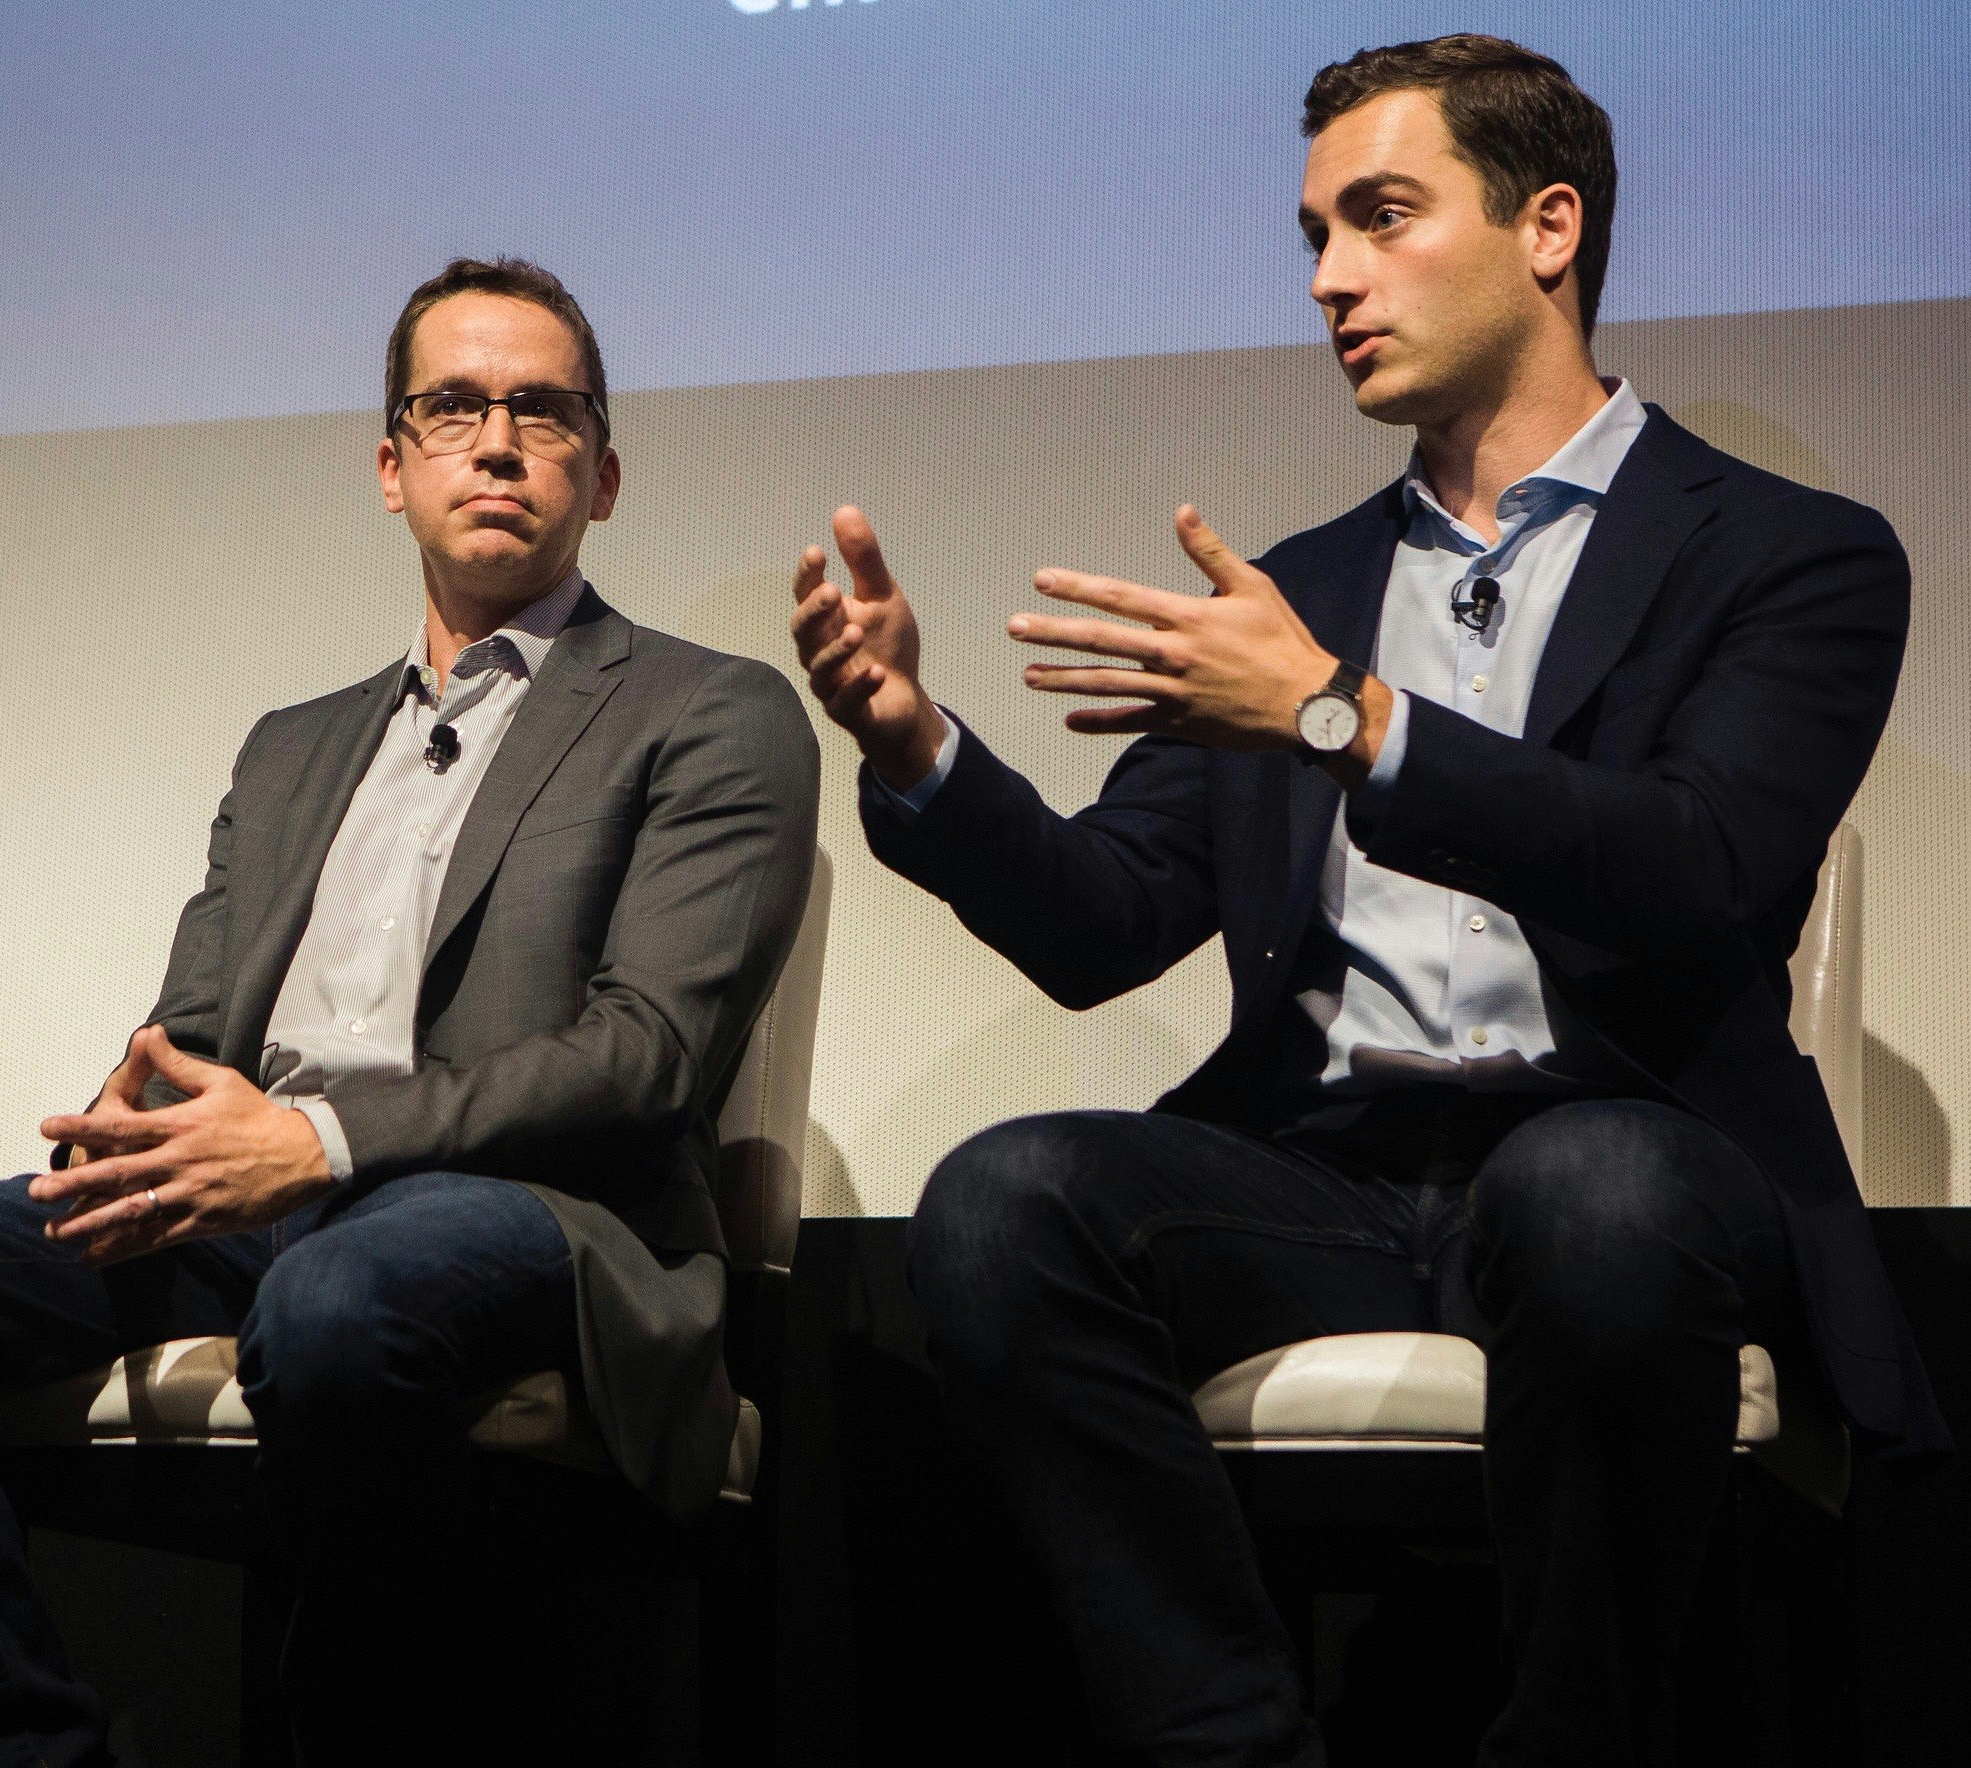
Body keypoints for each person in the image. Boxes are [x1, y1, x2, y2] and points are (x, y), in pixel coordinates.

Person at [789, 35, 1940, 1765]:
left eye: (1380, 218)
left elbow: (1694, 864)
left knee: (1595, 1191)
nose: (1329, 278)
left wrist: (1343, 717)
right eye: (1314, 233)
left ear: (1548, 228)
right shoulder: (1306, 586)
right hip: (1325, 1184)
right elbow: (1106, 922)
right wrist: (917, 748)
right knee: (1001, 1199)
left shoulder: (1787, 552)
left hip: (1625, 1150)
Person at [0, 256, 818, 1766]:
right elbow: (193, 1019)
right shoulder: (293, 748)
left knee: (344, 1298)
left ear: (603, 475)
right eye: (451, 408)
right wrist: (143, 1110)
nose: (496, 442)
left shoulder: (710, 709)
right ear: (390, 466)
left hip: (534, 1212)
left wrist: (313, 1139)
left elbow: (648, 1058)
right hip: (246, 1200)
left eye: (542, 413)